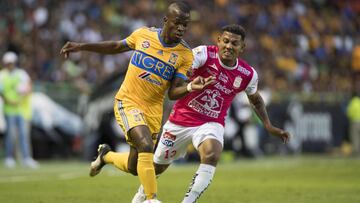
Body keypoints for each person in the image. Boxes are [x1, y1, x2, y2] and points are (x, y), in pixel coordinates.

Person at [60, 2, 215, 202]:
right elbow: (116, 46)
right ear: (166, 20)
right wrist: (81, 46)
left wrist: (190, 87)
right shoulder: (144, 35)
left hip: (153, 111)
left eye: (185, 25)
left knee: (135, 167)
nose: (181, 28)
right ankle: (151, 199)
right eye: (178, 23)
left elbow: (173, 92)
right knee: (145, 146)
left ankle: (106, 156)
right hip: (128, 101)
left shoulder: (185, 54)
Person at [131, 24, 291, 203]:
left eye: (235, 43)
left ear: (242, 47)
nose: (229, 46)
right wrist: (190, 80)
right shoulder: (203, 54)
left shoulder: (248, 74)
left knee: (212, 154)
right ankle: (139, 197)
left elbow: (256, 99)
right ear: (219, 41)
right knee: (158, 167)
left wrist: (268, 125)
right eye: (226, 41)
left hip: (211, 123)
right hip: (180, 120)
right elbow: (178, 78)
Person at [0, 51, 39, 169]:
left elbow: (29, 85)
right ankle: (9, 158)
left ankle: (26, 158)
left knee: (23, 134)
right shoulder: (2, 75)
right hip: (9, 109)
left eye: (11, 63)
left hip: (21, 110)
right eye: (8, 63)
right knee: (10, 135)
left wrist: (23, 96)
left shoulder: (21, 74)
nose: (10, 65)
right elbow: (1, 91)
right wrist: (9, 101)